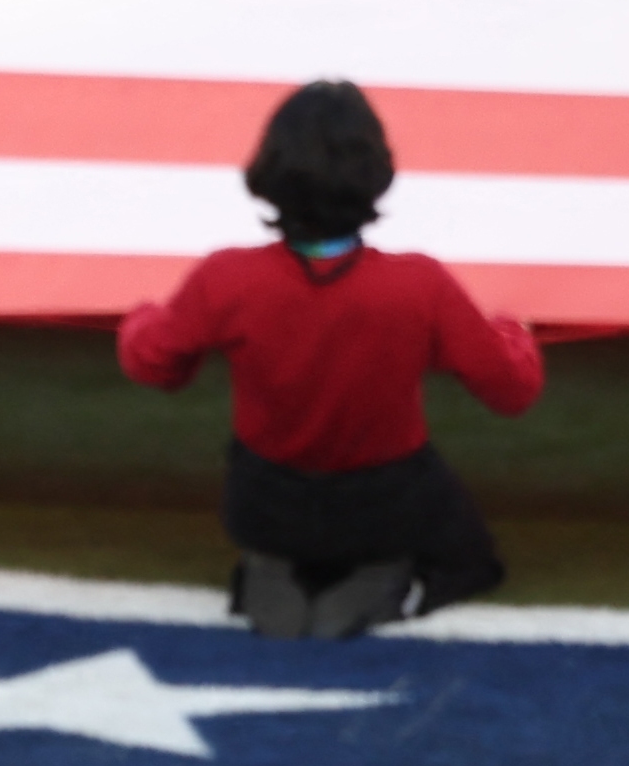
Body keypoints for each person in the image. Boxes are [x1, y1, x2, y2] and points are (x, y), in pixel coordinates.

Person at [118, 80, 542, 638]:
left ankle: (280, 575)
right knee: (469, 555)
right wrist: (513, 331)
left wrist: (145, 316)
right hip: (384, 504)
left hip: (266, 507)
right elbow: (513, 390)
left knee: (284, 510)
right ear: (376, 172)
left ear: (269, 171)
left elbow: (152, 364)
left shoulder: (226, 279)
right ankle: (381, 578)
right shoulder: (419, 285)